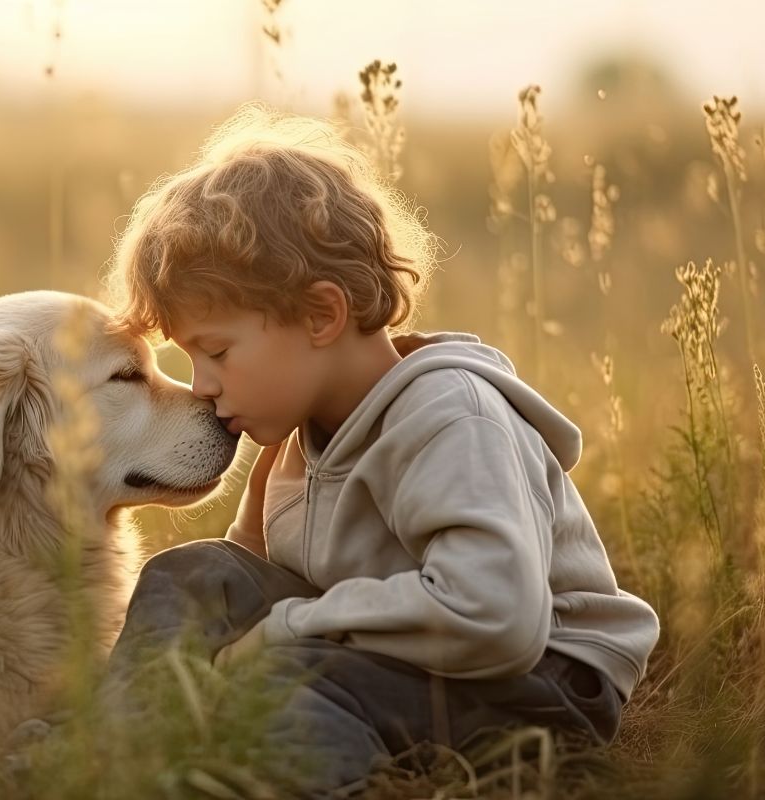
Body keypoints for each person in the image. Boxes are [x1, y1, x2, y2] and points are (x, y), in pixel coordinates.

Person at [100, 103, 659, 798]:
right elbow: (244, 583)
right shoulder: (294, 439)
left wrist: (290, 628)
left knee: (291, 678)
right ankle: (110, 753)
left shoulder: (451, 417)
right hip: (392, 657)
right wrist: (245, 631)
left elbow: (496, 617)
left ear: (322, 315)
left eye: (215, 351)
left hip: (531, 685)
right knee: (192, 574)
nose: (202, 386)